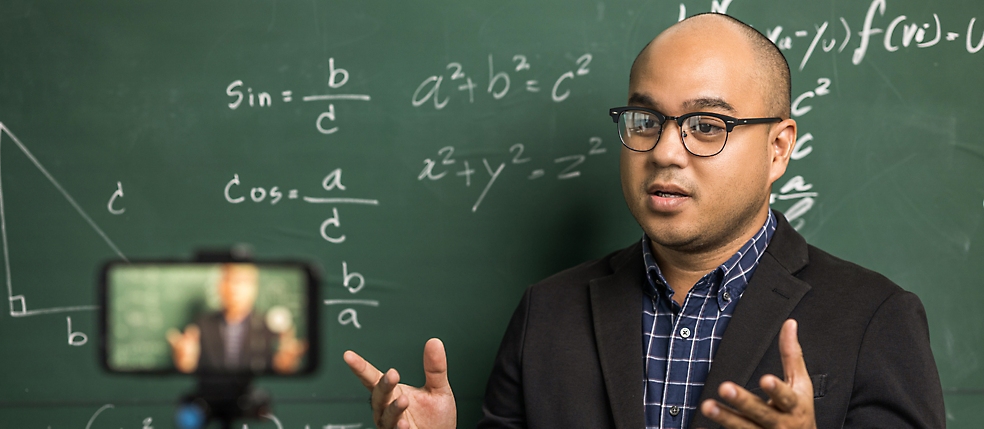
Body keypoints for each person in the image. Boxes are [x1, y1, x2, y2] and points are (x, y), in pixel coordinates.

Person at [343, 13, 945, 429]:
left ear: (778, 149)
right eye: (644, 121)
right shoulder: (547, 314)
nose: (664, 151)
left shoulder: (874, 319)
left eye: (707, 125)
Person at [167, 263, 307, 374]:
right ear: (220, 286)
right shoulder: (201, 325)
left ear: (255, 287)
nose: (235, 288)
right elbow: (192, 374)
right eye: (229, 279)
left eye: (243, 281)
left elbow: (276, 377)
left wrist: (285, 369)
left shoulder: (270, 328)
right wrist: (185, 365)